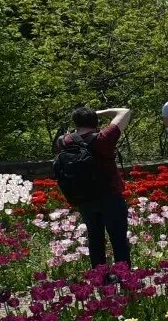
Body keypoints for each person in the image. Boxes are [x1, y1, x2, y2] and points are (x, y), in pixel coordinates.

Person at [54, 105, 133, 268]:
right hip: (110, 196)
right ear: (95, 122)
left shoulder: (64, 141)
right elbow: (125, 112)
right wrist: (98, 113)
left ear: (76, 123)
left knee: (95, 239)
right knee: (118, 239)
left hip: (83, 197)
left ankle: (101, 279)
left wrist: (81, 117)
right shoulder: (103, 138)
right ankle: (125, 278)